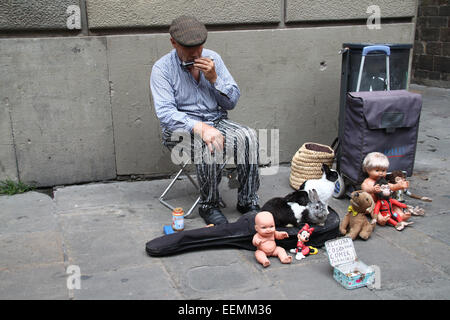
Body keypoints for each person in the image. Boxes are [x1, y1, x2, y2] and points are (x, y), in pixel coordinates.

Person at [150, 15, 260, 226]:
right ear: (173, 43)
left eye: (200, 48)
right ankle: (209, 204)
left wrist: (214, 79)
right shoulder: (162, 69)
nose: (196, 54)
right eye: (189, 49)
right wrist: (200, 127)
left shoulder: (213, 58)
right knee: (209, 145)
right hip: (180, 129)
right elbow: (165, 113)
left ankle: (247, 201)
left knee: (248, 137)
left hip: (216, 120)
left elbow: (231, 102)